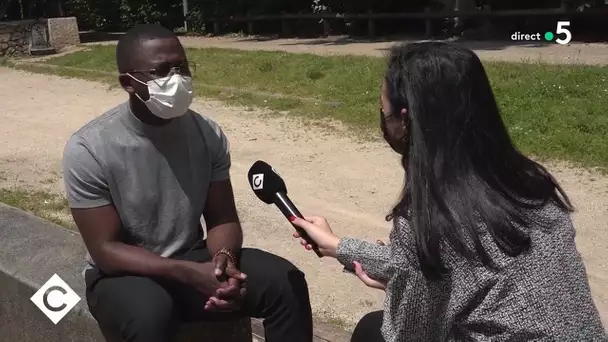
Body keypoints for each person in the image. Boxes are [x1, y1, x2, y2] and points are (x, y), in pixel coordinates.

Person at [290, 41, 607, 342]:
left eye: (382, 112)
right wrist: (337, 246)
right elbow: (447, 269)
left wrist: (397, 292)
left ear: (405, 119)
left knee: (371, 331)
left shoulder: (431, 219)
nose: (382, 122)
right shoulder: (528, 181)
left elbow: (409, 335)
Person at [61, 24, 313, 342]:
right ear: (129, 83)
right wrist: (190, 274)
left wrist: (225, 265)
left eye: (181, 67)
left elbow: (222, 217)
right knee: (151, 314)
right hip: (124, 275)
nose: (177, 79)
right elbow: (106, 250)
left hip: (192, 259)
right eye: (162, 71)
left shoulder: (207, 133)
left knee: (285, 282)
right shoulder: (90, 148)